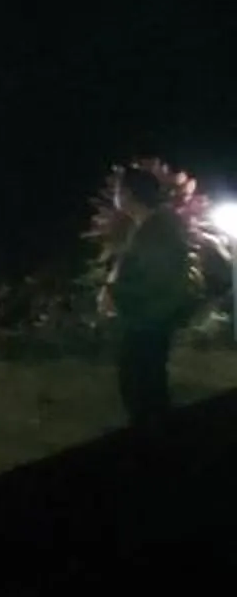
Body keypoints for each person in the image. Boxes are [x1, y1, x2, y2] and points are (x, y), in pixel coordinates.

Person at [105, 166, 199, 428]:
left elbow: (156, 281)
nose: (116, 196)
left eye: (118, 190)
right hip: (147, 317)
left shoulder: (159, 229)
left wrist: (115, 292)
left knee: (142, 386)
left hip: (150, 319)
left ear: (129, 194)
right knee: (145, 383)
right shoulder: (150, 226)